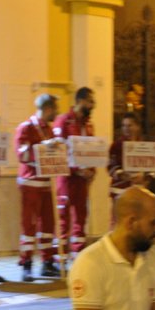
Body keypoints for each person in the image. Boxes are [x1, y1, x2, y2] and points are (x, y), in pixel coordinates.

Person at [13, 93, 63, 283]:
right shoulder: (26, 128)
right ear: (48, 109)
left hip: (46, 183)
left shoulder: (49, 129)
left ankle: (47, 262)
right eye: (55, 110)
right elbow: (22, 154)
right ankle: (26, 265)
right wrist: (44, 147)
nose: (57, 114)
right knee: (29, 226)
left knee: (48, 225)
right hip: (30, 183)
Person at [54, 87, 97, 260]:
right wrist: (76, 170)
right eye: (90, 101)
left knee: (81, 216)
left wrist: (92, 170)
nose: (93, 105)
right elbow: (59, 151)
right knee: (64, 217)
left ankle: (78, 255)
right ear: (80, 101)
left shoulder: (88, 125)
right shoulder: (63, 122)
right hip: (66, 179)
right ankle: (61, 258)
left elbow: (92, 150)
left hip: (82, 181)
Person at [107, 114, 147, 201]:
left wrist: (144, 176)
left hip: (140, 190)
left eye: (129, 125)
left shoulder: (145, 146)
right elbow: (110, 165)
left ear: (137, 127)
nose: (126, 128)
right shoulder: (117, 145)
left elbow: (152, 167)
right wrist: (122, 174)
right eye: (124, 126)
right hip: (120, 190)